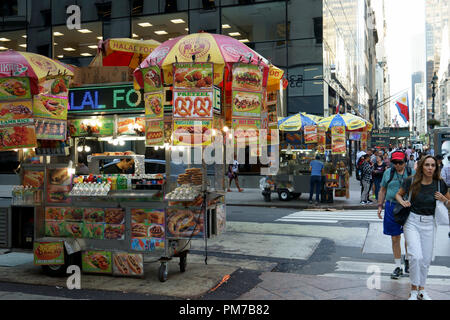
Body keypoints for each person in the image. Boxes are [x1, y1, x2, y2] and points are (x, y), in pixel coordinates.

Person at [395, 155, 450, 300]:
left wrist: (444, 199)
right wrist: (403, 202)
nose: (430, 168)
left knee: (425, 259)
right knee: (415, 256)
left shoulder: (440, 184)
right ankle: (413, 290)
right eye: (427, 165)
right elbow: (398, 195)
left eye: (433, 165)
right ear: (421, 166)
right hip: (412, 221)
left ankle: (422, 289)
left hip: (429, 223)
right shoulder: (411, 181)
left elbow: (449, 203)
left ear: (436, 167)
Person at [377, 150, 414, 279]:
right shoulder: (388, 173)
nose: (398, 165)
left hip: (408, 207)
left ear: (405, 162)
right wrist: (380, 205)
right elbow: (382, 190)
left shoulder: (412, 173)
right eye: (395, 163)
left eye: (400, 162)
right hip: (392, 206)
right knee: (395, 238)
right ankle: (398, 266)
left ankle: (408, 260)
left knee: (409, 237)